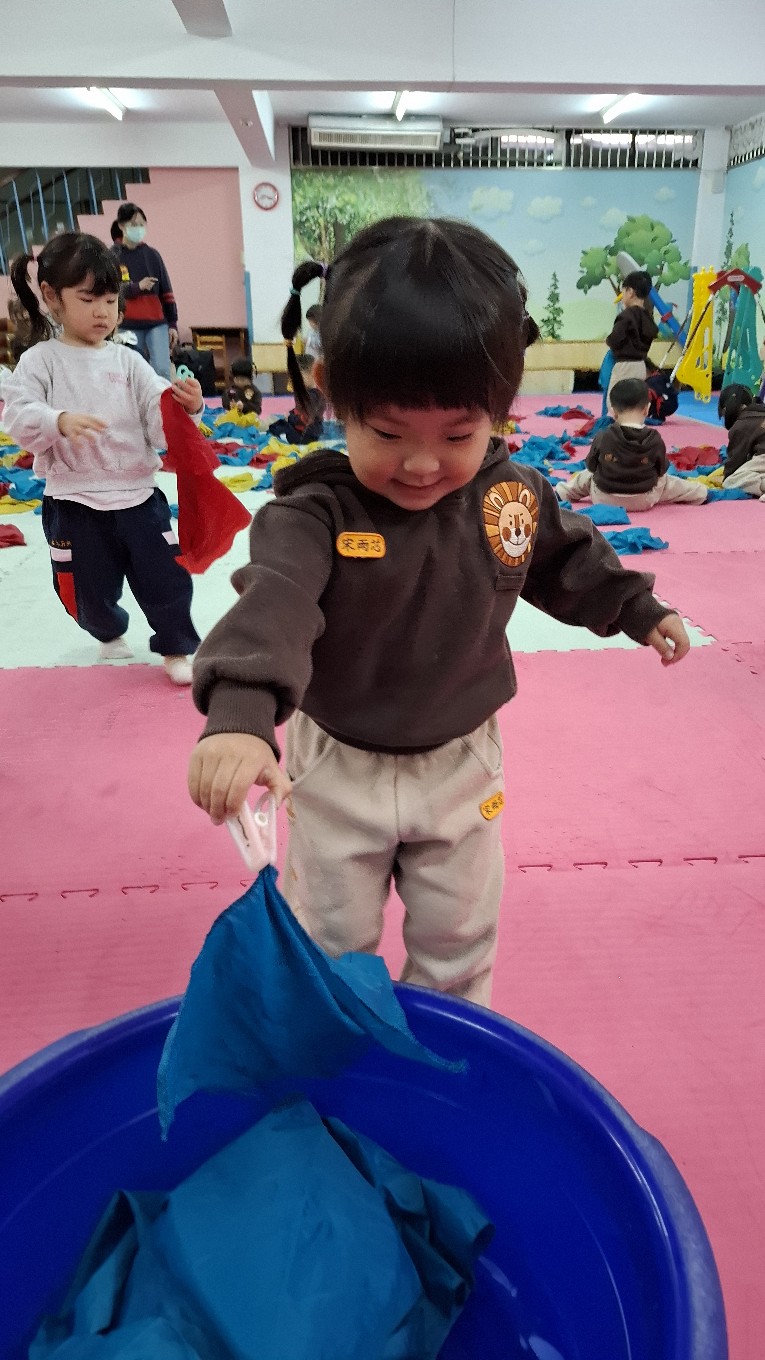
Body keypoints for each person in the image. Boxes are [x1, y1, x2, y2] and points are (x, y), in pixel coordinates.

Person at [187, 217, 689, 1008]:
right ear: (331, 394)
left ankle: (447, 1047)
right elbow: (274, 602)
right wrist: (241, 715)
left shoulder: (508, 494)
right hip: (336, 763)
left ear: (498, 409)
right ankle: (337, 1044)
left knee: (459, 938)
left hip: (461, 762)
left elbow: (564, 558)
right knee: (326, 939)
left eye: (458, 433)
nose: (422, 463)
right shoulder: (313, 513)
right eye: (388, 432)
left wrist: (634, 605)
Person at [3, 232, 204, 685]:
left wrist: (186, 407)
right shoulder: (40, 361)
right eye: (88, 299)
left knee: (167, 578)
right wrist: (57, 420)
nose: (102, 312)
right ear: (52, 297)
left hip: (138, 496)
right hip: (74, 502)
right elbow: (17, 416)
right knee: (85, 594)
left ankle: (176, 646)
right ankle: (108, 629)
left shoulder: (129, 362)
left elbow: (159, 421)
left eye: (111, 301)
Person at [556, 378, 707, 508]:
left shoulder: (603, 436)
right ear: (646, 409)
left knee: (586, 476)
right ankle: (701, 493)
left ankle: (562, 492)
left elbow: (591, 466)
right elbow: (661, 471)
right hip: (644, 499)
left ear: (613, 411)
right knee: (668, 482)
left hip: (604, 498)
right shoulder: (654, 439)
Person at [112, 202, 178, 380]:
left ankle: (163, 399)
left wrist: (172, 324)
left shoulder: (152, 255)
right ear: (121, 226)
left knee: (162, 370)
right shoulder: (114, 255)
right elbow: (111, 290)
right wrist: (136, 287)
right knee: (132, 373)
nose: (139, 229)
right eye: (134, 224)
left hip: (156, 322)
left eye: (142, 224)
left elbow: (166, 291)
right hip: (127, 324)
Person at [605, 271, 658, 402]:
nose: (622, 295)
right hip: (641, 366)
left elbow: (615, 339)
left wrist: (608, 340)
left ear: (630, 292)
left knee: (615, 402)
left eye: (623, 292)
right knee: (635, 401)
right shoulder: (647, 317)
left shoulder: (626, 316)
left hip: (624, 365)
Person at [719, 383, 765, 499]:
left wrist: (726, 476)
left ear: (725, 409)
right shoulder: (760, 412)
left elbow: (736, 460)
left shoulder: (741, 425)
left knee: (731, 481)